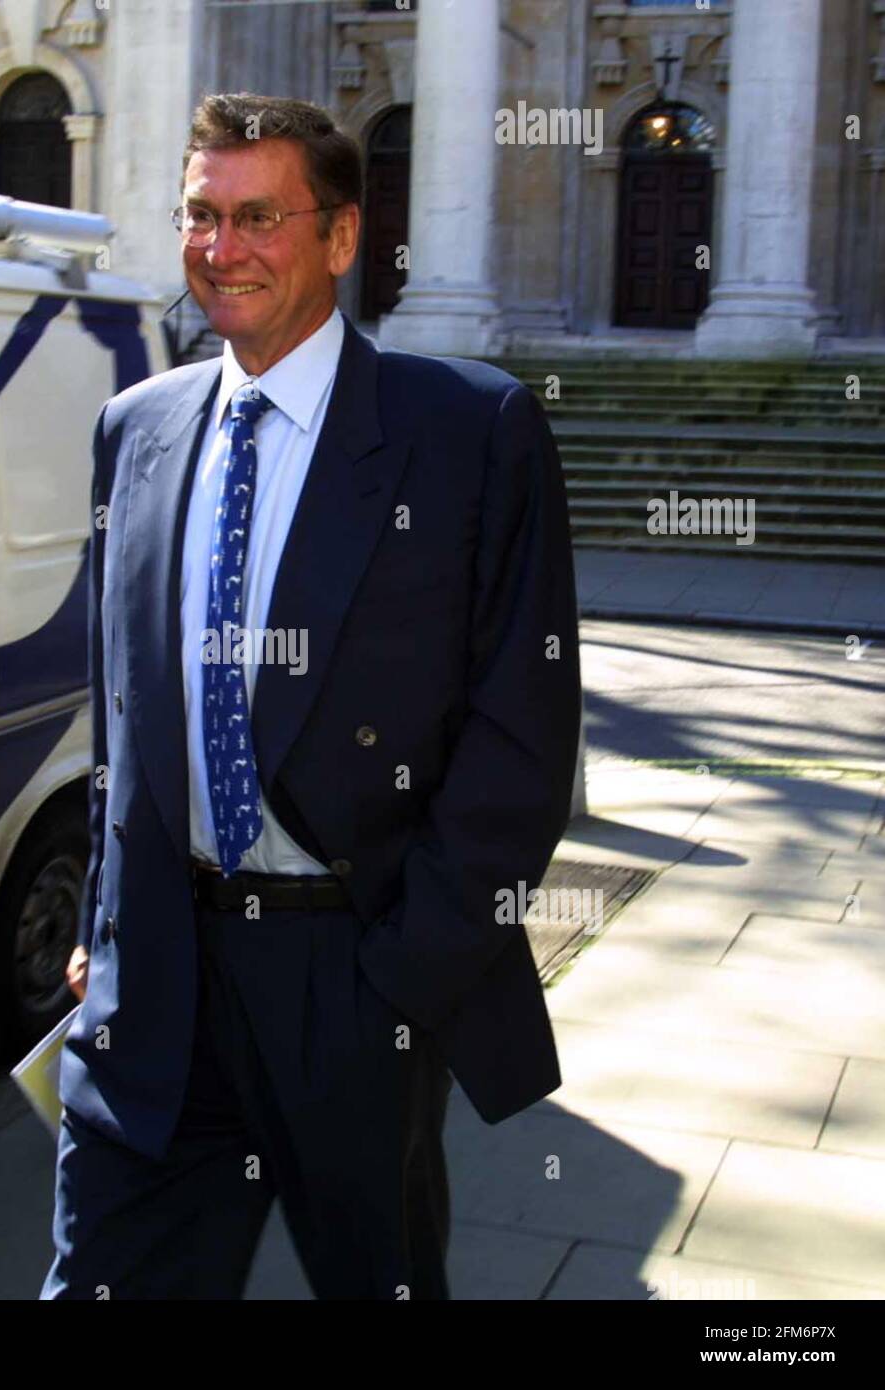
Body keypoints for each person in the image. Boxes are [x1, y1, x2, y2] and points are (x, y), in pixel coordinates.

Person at [43, 92, 581, 1300]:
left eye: (256, 218)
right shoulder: (135, 427)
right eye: (198, 215)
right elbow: (118, 705)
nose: (219, 249)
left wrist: (408, 974)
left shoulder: (466, 431)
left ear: (339, 239)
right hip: (158, 980)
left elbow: (520, 739)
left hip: (352, 978)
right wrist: (103, 924)